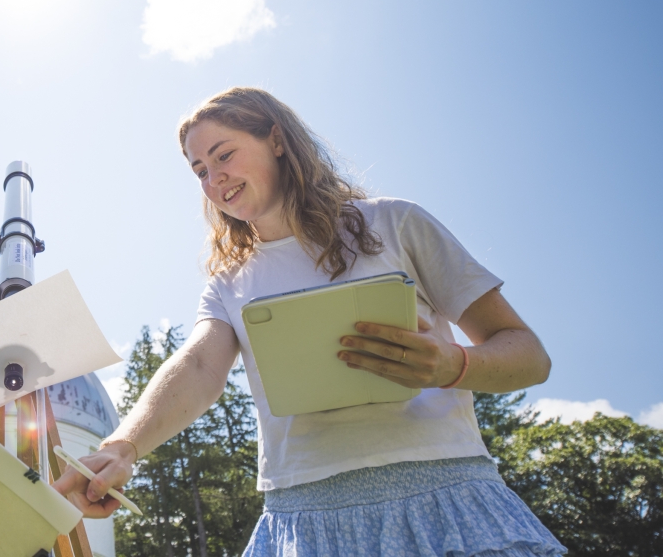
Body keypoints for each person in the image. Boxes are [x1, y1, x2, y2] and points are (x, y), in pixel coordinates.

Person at [55, 87, 565, 556]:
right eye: (199, 171)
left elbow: (528, 355)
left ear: (277, 139)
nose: (214, 180)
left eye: (224, 155)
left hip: (441, 492)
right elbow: (197, 368)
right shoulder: (230, 282)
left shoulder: (396, 223)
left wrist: (451, 366)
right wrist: (121, 447)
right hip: (304, 519)